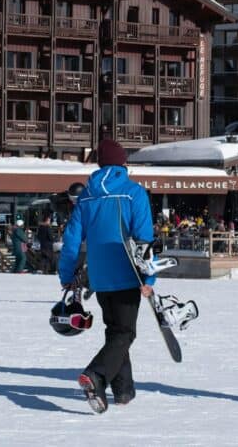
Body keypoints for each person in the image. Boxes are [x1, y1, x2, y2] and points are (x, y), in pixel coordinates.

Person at [58, 138, 154, 414]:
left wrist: (66, 274)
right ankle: (97, 375)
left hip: (99, 277)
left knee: (116, 332)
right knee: (125, 332)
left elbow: (72, 241)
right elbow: (144, 238)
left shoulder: (86, 197)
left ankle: (123, 391)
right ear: (123, 163)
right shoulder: (133, 192)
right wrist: (149, 279)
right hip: (127, 273)